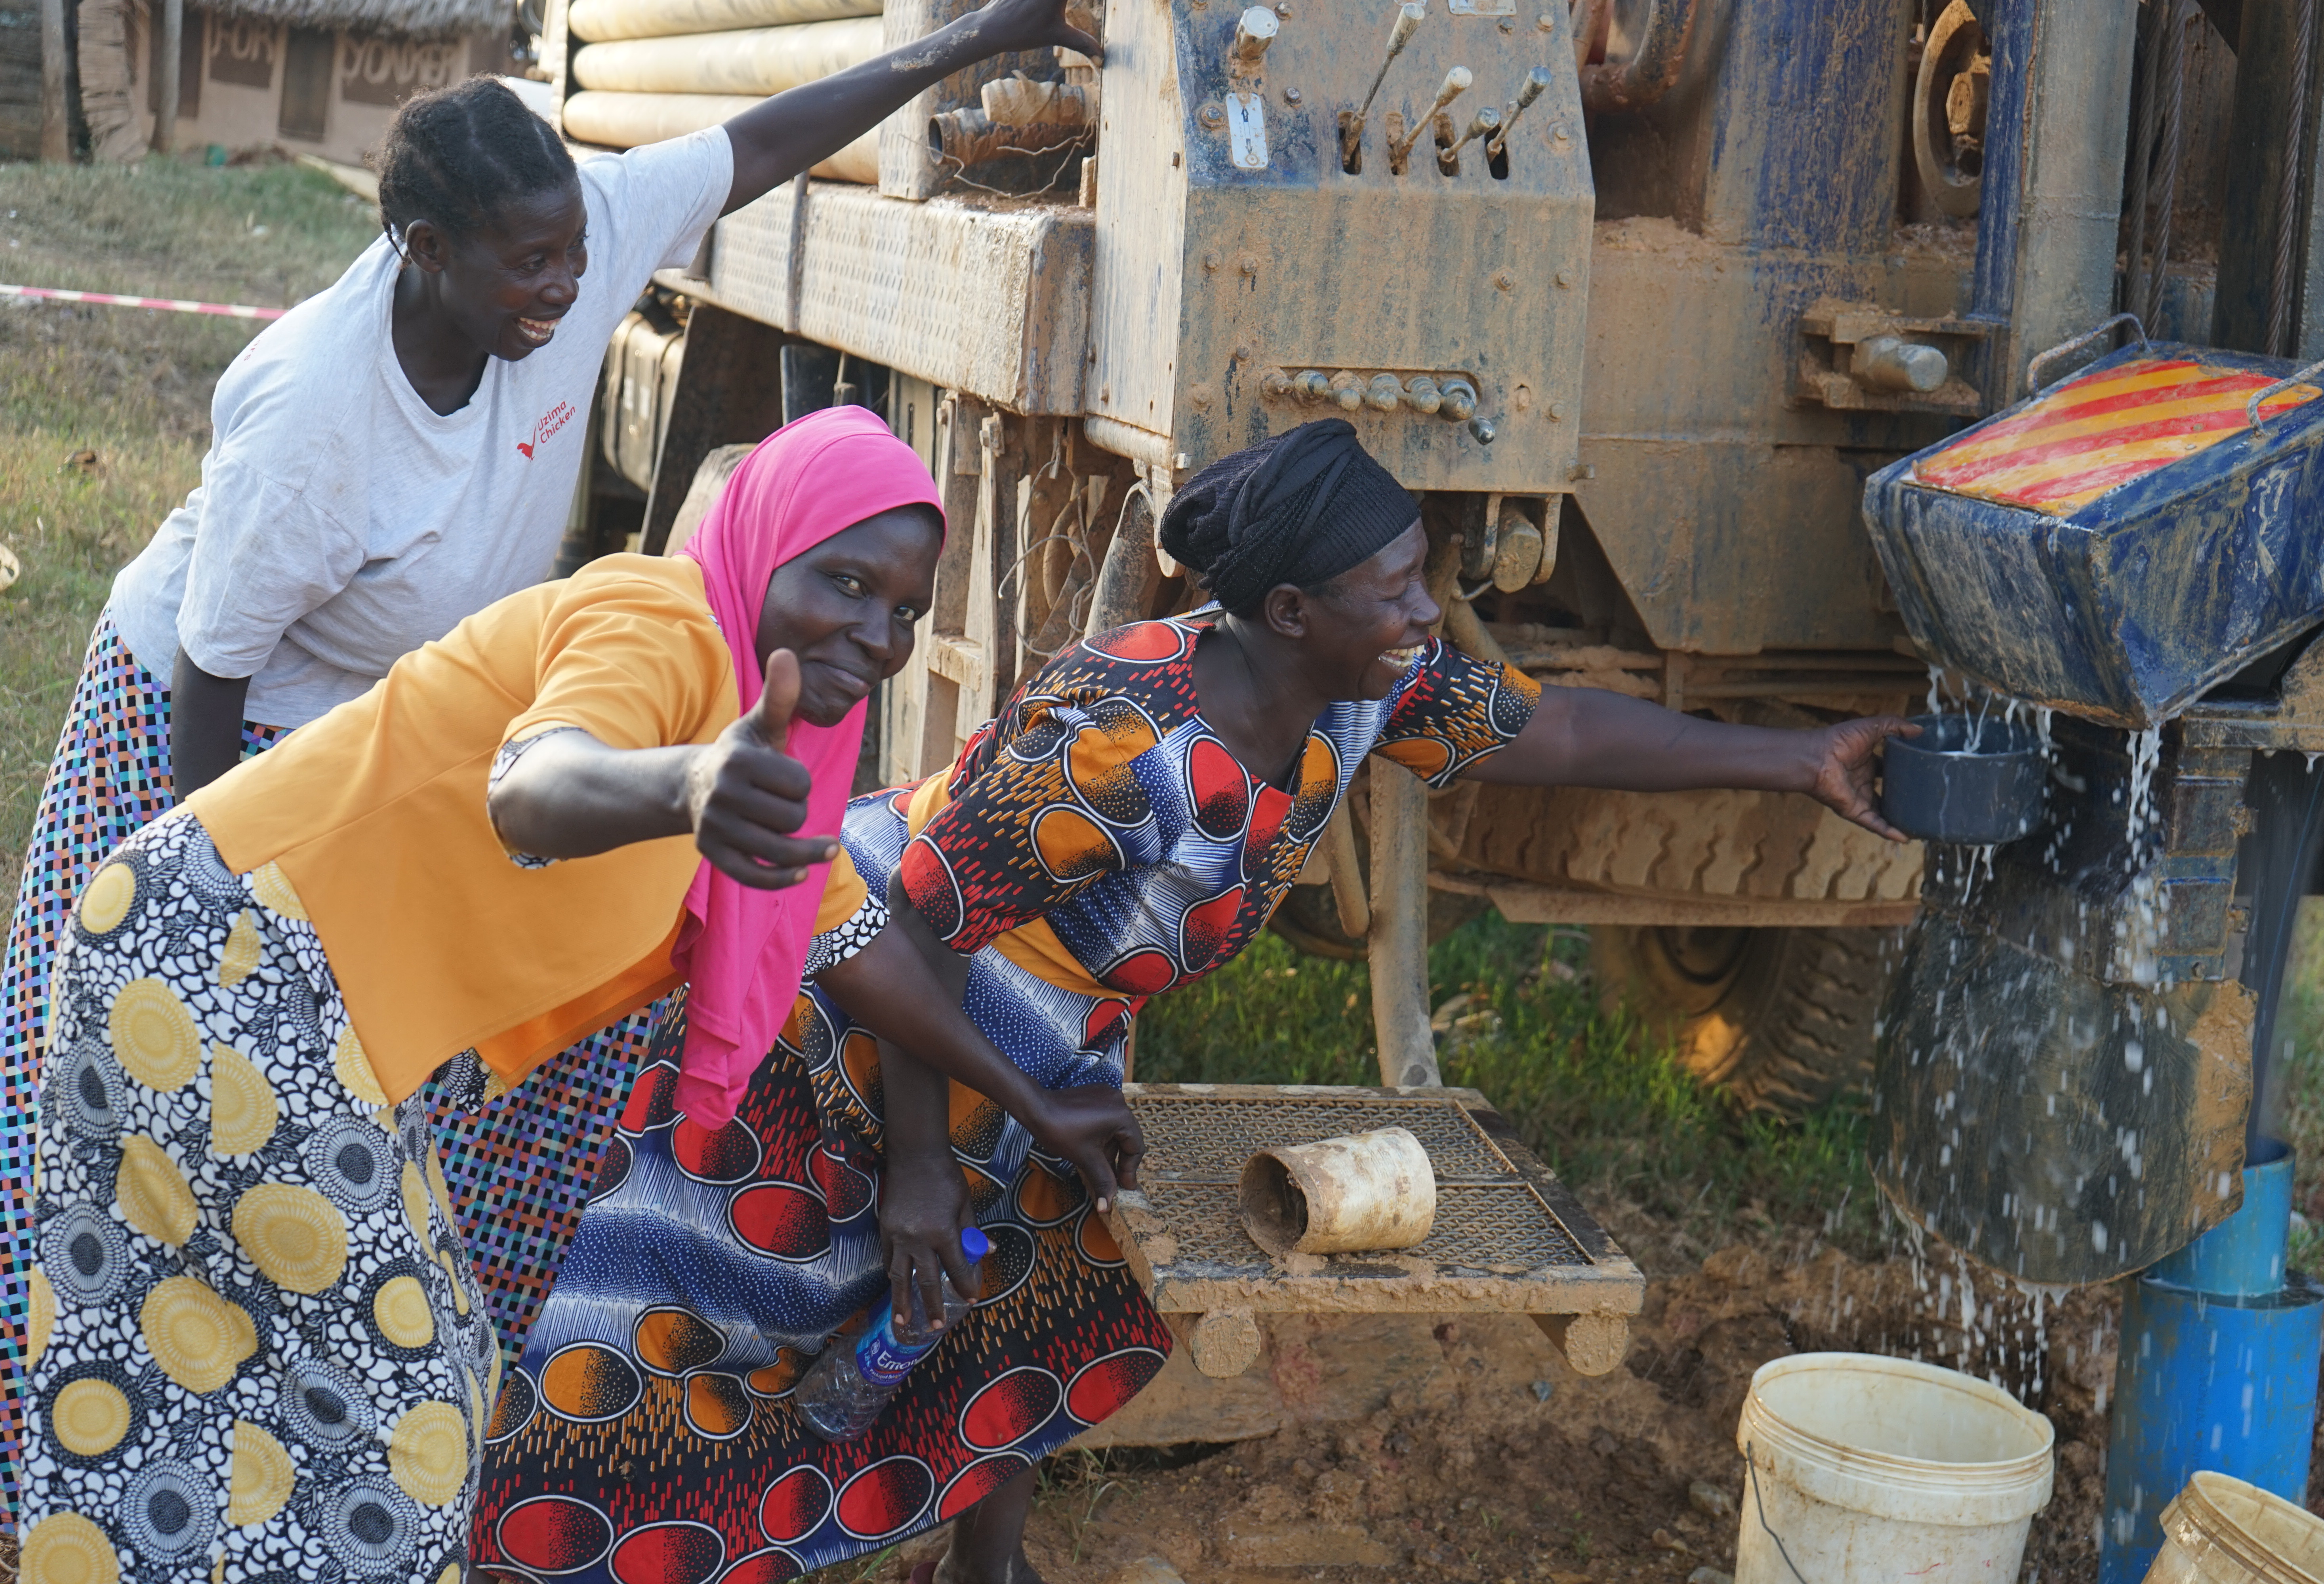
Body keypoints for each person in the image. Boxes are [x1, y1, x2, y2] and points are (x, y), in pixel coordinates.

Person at [0, 0, 1101, 1526]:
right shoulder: (324, 421)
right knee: (98, 1104)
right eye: (528, 266)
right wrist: (214, 896)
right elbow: (229, 663)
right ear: (420, 249)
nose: (567, 287)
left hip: (391, 755)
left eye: (574, 258)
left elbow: (765, 140)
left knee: (320, 1239)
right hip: (213, 733)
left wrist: (974, 39)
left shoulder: (570, 257)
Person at [472, 419, 1914, 1583]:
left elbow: (1559, 727)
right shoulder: (1123, 734)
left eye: (1424, 576)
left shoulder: (1363, 696)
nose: (1427, 611)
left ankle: (987, 1564)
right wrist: (919, 1163)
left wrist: (1797, 761)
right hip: (851, 1020)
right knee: (719, 1316)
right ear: (1288, 612)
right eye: (1397, 587)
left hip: (1037, 1054)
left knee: (1050, 1288)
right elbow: (918, 905)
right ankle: (579, 1547)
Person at [14, 409, 1142, 1584]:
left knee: (256, 1363)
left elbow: (861, 947)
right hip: (225, 957)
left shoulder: (784, 765)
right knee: (410, 1409)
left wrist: (1033, 1103)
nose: (878, 632)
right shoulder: (657, 626)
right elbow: (535, 781)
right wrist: (690, 779)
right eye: (846, 583)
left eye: (904, 611)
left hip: (278, 989)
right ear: (766, 545)